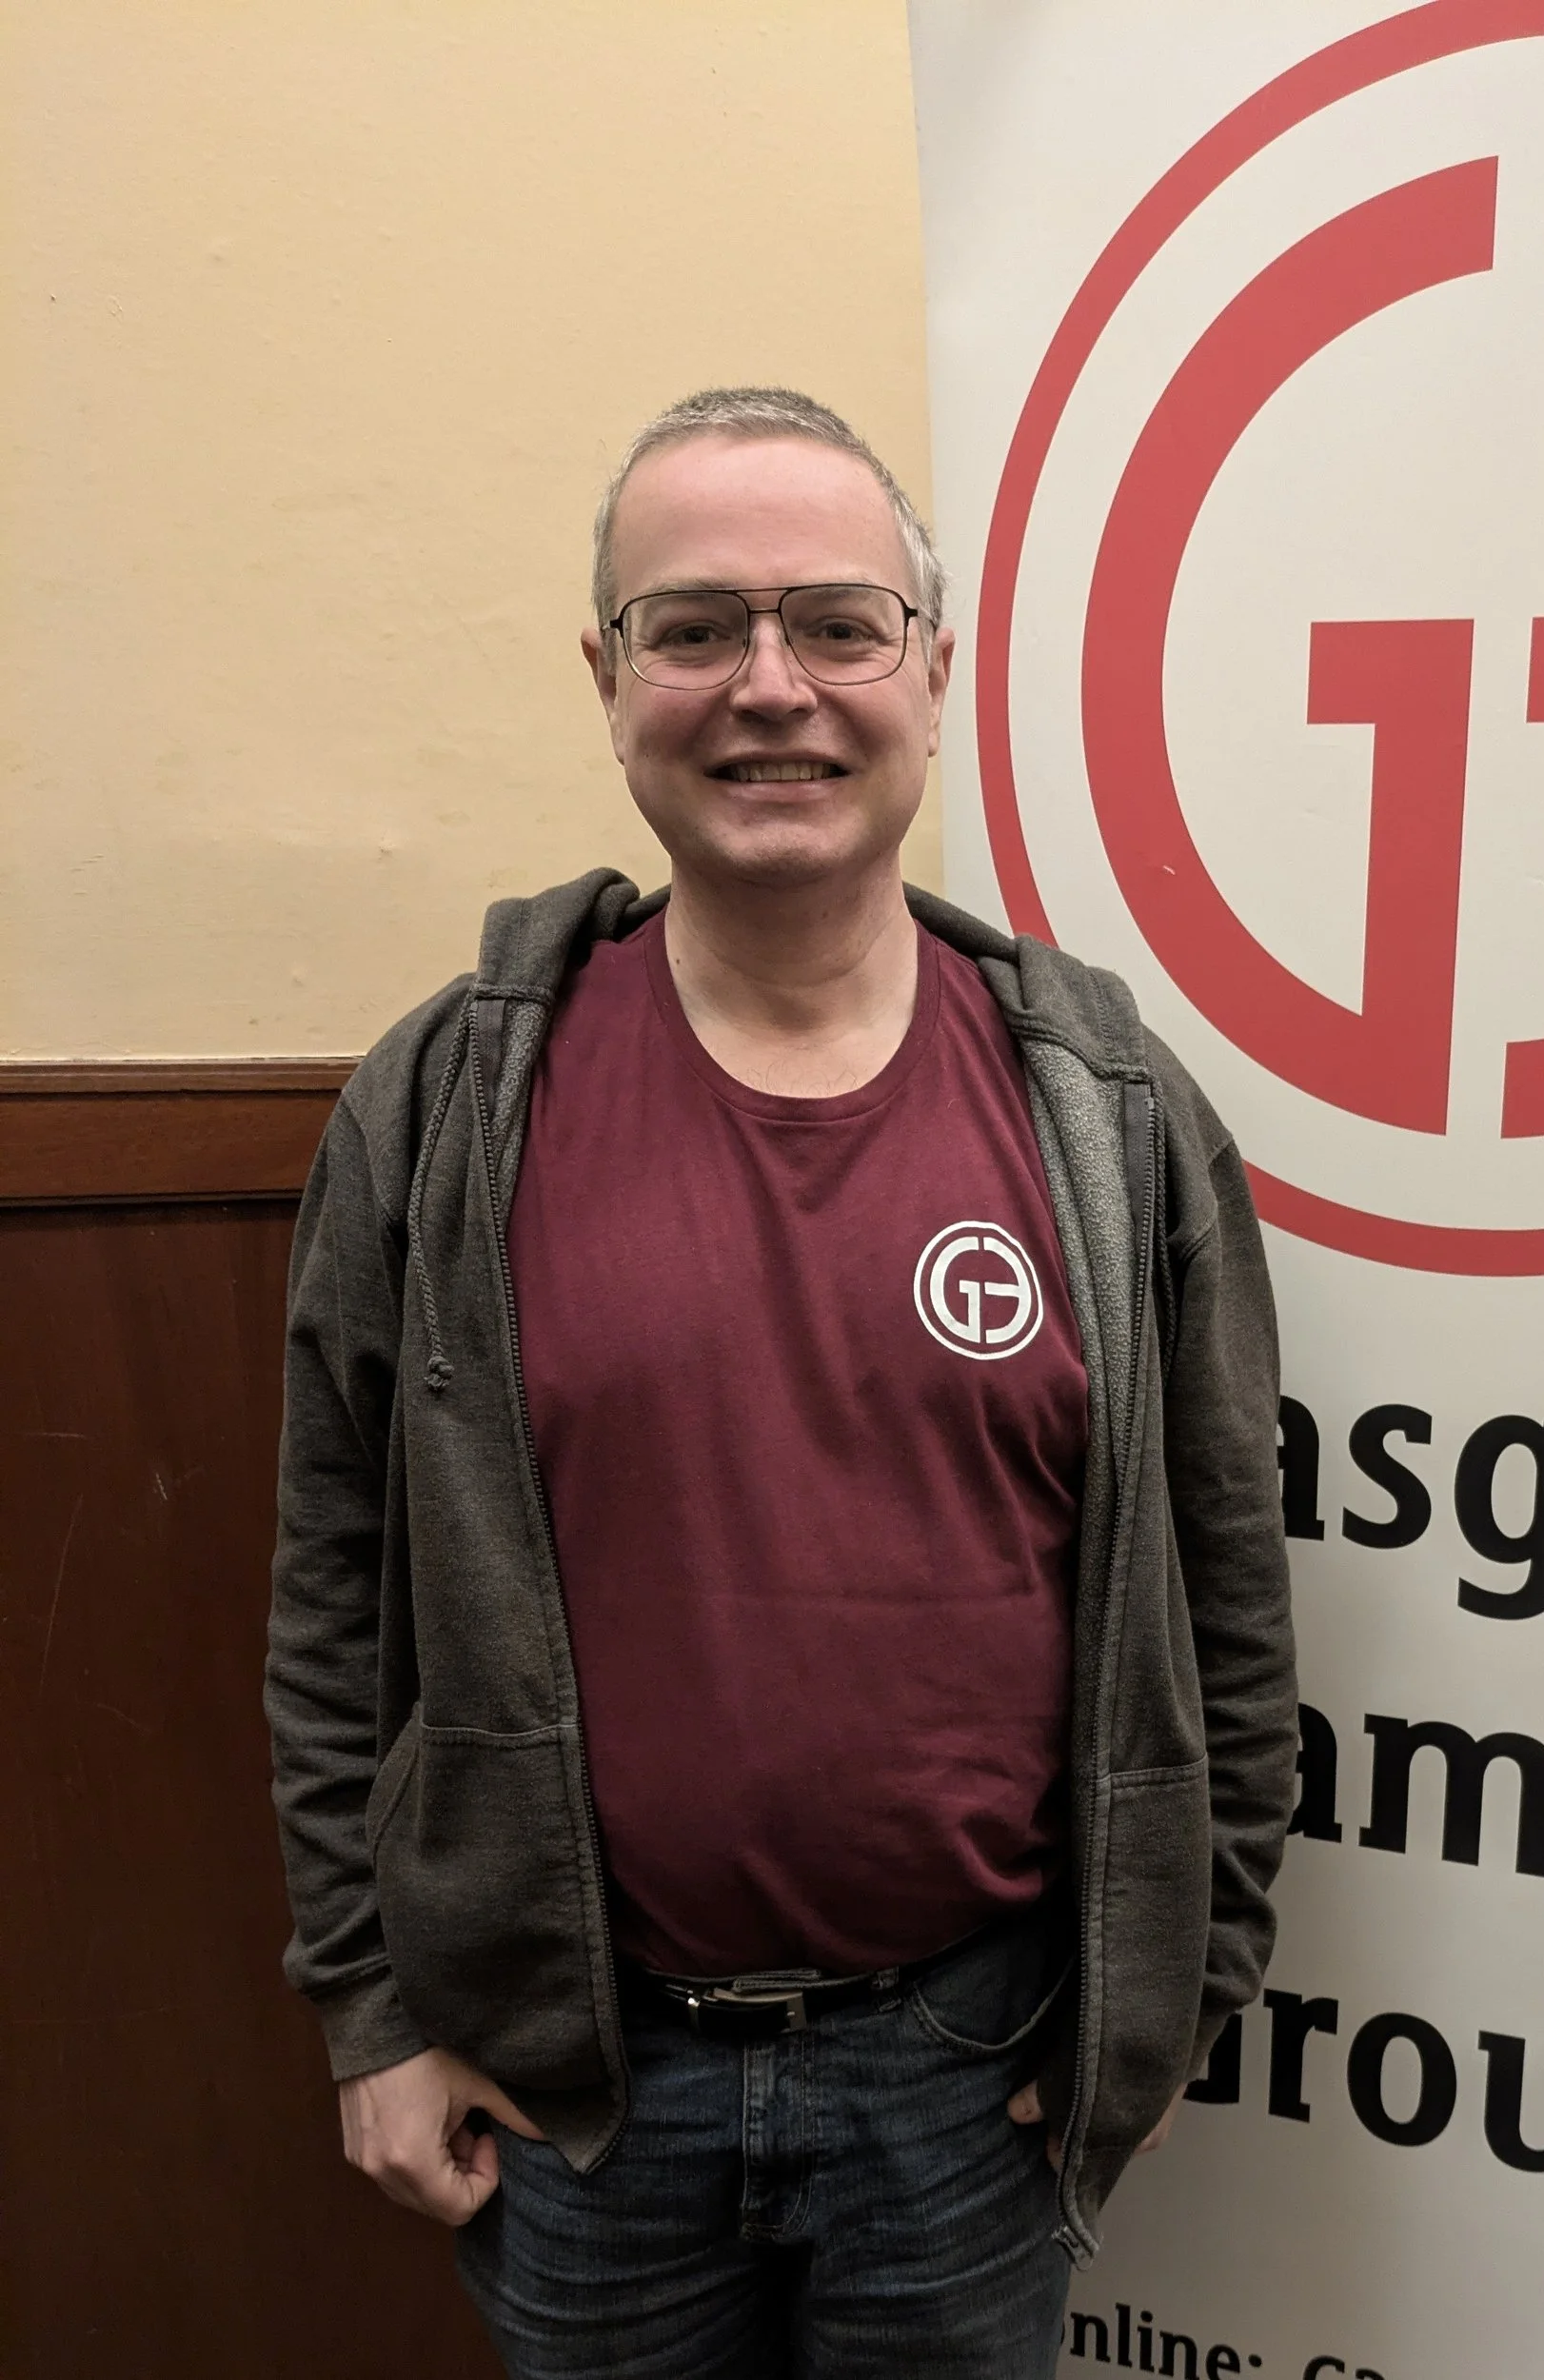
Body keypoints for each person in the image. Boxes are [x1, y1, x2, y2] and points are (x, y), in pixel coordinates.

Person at [265, 386, 1298, 2379]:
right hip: (581, 2092)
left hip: (972, 2076)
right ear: (606, 672)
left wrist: (1183, 1979)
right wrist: (374, 2009)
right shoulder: (445, 1101)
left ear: (931, 663)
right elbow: (333, 1584)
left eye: (834, 623)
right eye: (693, 626)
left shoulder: (1108, 1113)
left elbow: (1227, 1579)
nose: (770, 687)